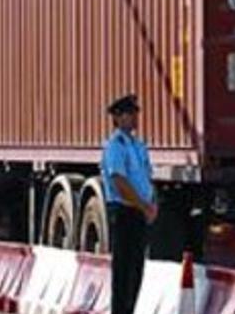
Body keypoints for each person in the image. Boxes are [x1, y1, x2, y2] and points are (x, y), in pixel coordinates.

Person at [101, 94, 157, 314]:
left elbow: (144, 177)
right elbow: (119, 181)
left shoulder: (137, 145)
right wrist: (143, 206)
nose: (134, 118)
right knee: (123, 270)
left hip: (138, 212)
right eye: (129, 114)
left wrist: (151, 202)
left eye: (135, 113)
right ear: (117, 117)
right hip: (124, 211)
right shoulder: (116, 146)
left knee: (136, 269)